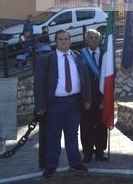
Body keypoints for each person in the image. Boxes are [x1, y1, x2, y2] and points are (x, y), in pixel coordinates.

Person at [34, 29, 92, 178]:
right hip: (55, 103)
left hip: (74, 103)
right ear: (55, 41)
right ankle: (51, 166)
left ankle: (75, 163)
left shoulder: (78, 57)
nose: (64, 41)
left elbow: (85, 80)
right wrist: (40, 106)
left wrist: (87, 99)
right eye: (60, 39)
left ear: (70, 41)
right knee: (54, 136)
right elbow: (39, 85)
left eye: (66, 39)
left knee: (72, 134)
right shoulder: (46, 59)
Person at [79, 29, 108, 162]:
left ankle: (100, 151)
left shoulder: (105, 54)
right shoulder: (81, 55)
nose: (94, 40)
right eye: (91, 38)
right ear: (86, 39)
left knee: (101, 125)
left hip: (102, 96)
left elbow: (111, 74)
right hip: (87, 97)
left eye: (96, 38)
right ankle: (88, 153)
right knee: (87, 126)